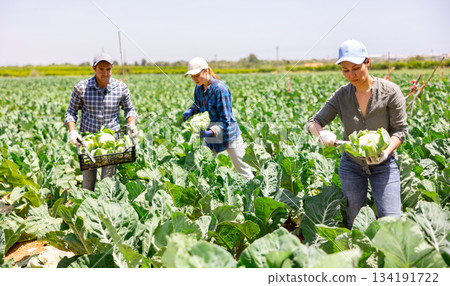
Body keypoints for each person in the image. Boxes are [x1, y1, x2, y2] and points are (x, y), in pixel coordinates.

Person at [305, 40, 407, 229]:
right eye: (345, 70)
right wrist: (321, 133)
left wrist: (384, 153)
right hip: (351, 165)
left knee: (392, 222)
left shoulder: (391, 92)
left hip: (384, 164)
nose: (351, 75)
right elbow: (313, 122)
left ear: (367, 62)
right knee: (355, 220)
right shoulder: (341, 96)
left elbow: (400, 131)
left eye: (356, 68)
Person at [65, 52, 138, 191]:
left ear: (112, 68)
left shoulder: (121, 88)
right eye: (101, 69)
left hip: (112, 144)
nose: (105, 73)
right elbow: (71, 112)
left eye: (108, 69)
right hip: (88, 144)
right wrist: (72, 131)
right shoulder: (81, 87)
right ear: (94, 68)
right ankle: (88, 210)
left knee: (108, 184)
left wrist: (132, 124)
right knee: (88, 184)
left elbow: (130, 110)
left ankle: (105, 210)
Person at [182, 57, 254, 180]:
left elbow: (225, 120)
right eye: (192, 77)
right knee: (202, 168)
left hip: (229, 135)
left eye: (197, 75)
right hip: (211, 137)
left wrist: (210, 132)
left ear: (206, 71)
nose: (194, 79)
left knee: (243, 170)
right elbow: (199, 104)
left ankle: (258, 195)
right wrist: (192, 109)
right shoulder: (199, 88)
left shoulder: (220, 89)